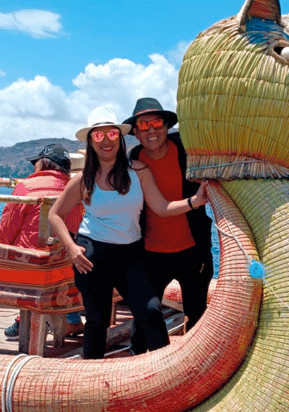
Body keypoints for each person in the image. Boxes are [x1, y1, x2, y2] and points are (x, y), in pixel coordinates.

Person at [48, 106, 209, 359]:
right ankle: (92, 379)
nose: (106, 141)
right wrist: (70, 247)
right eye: (98, 136)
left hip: (131, 256)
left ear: (120, 137)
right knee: (97, 323)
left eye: (111, 134)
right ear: (91, 141)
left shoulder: (138, 170)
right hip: (93, 257)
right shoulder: (83, 179)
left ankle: (163, 370)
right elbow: (54, 215)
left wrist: (194, 202)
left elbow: (161, 207)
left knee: (151, 312)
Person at [123, 98, 214, 352]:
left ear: (166, 126)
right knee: (145, 317)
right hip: (151, 253)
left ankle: (196, 371)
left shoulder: (187, 149)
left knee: (197, 315)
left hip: (193, 251)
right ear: (136, 132)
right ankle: (136, 368)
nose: (151, 130)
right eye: (144, 125)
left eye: (157, 123)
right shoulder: (134, 159)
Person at [0, 144, 85, 340]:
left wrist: (7, 251)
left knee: (26, 256)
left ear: (43, 164)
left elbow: (6, 230)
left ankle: (25, 320)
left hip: (30, 269)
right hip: (64, 271)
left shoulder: (26, 187)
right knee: (67, 265)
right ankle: (71, 318)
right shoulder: (75, 189)